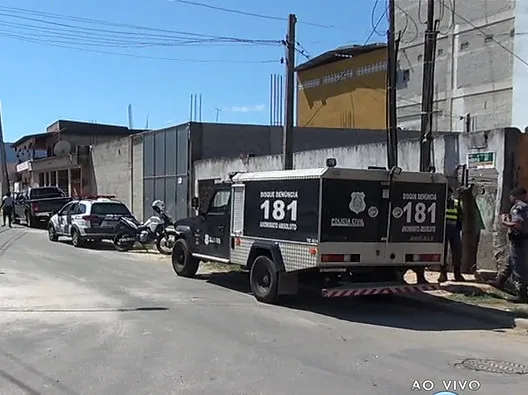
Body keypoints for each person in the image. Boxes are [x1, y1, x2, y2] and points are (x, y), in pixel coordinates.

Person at [494, 187, 528, 303]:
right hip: (523, 240)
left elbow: (517, 225)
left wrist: (504, 221)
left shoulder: (517, 208)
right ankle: (500, 281)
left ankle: (522, 294)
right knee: (509, 261)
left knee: (519, 265)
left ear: (514, 196)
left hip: (519, 240)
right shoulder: (526, 207)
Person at [438, 187, 465, 283]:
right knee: (443, 253)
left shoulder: (457, 203)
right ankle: (443, 273)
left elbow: (461, 216)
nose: (448, 195)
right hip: (443, 231)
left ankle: (457, 274)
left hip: (455, 230)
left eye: (449, 193)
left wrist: (459, 228)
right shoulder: (439, 202)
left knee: (457, 252)